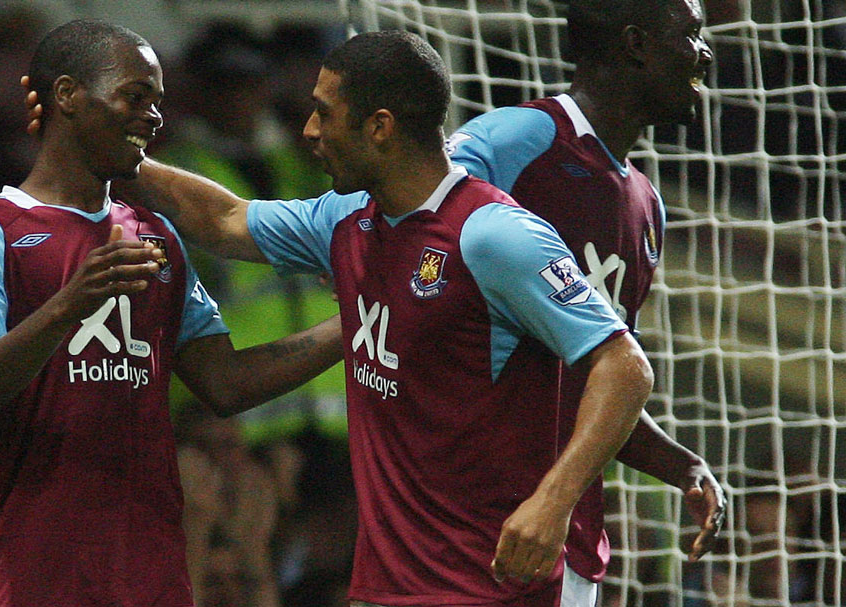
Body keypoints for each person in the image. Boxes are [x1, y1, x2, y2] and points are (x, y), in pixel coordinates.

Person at [107, 29, 655, 606]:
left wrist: (553, 501)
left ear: (380, 126)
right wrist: (121, 157)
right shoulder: (345, 220)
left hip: (491, 585)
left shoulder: (493, 235)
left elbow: (625, 367)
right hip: (389, 584)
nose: (309, 131)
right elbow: (225, 219)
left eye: (325, 113)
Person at [0, 19, 343, 607]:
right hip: (30, 572)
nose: (153, 116)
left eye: (157, 101)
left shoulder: (157, 238)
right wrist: (68, 307)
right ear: (68, 95)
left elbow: (224, 383)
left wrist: (355, 321)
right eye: (134, 96)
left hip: (149, 573)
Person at [443, 0, 726, 602]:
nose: (704, 53)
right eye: (692, 35)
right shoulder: (515, 143)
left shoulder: (645, 203)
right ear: (635, 44)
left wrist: (681, 467)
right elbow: (400, 236)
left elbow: (599, 379)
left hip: (568, 542)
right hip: (468, 529)